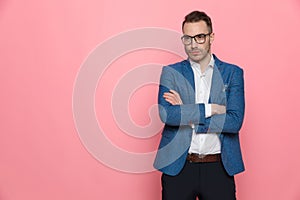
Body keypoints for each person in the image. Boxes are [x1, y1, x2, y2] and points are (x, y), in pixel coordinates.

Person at [153, 11, 245, 200]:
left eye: (200, 37)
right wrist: (213, 109)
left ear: (211, 37)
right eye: (188, 38)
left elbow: (235, 121)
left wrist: (187, 112)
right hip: (179, 166)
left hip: (219, 168)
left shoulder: (232, 73)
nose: (193, 44)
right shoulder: (171, 72)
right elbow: (168, 115)